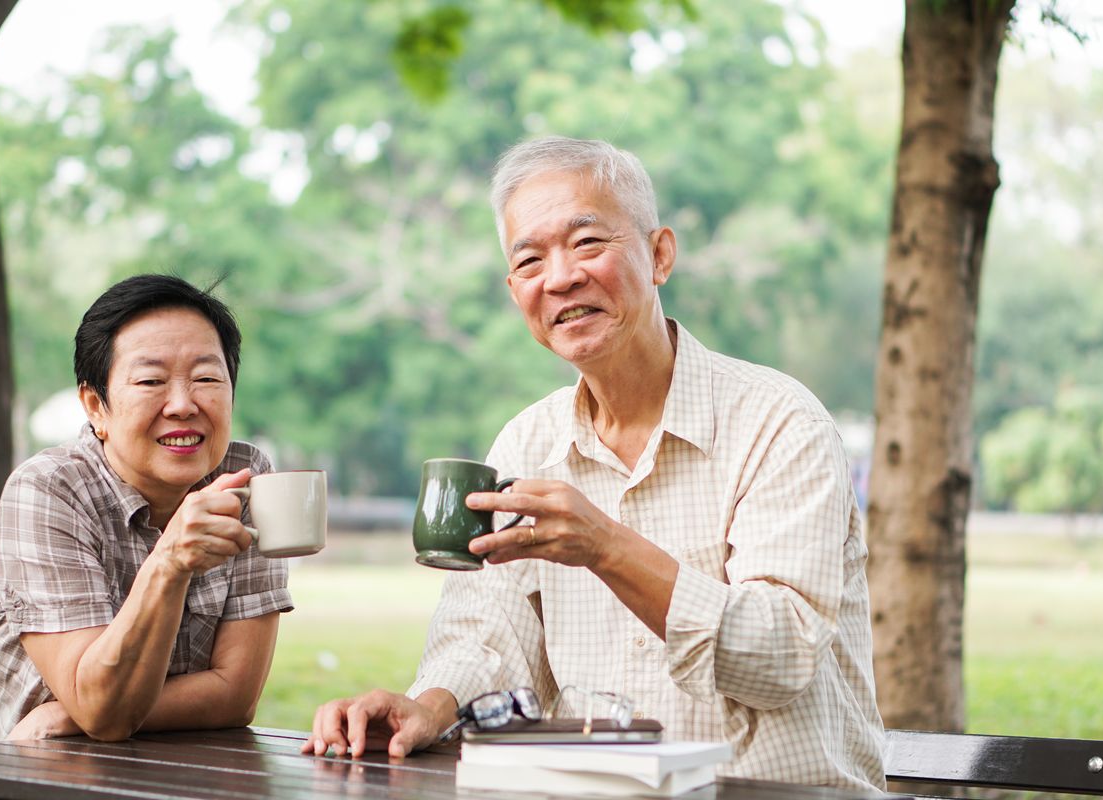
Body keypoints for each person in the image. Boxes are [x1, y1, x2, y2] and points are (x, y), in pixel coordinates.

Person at [302, 137, 885, 790]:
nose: (560, 277)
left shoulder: (779, 422)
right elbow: (488, 637)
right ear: (514, 288)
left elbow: (780, 656)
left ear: (660, 254)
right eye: (530, 259)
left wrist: (605, 547)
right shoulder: (526, 443)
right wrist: (426, 705)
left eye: (587, 244)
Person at [0, 274, 291, 745]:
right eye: (150, 381)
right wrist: (170, 561)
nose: (182, 404)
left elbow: (235, 694)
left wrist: (70, 717)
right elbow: (104, 708)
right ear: (96, 405)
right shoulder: (49, 491)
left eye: (206, 378)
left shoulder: (246, 476)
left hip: (138, 771)